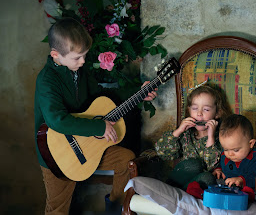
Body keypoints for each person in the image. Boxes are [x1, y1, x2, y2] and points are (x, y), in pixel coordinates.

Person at [34, 17, 157, 214]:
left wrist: (139, 92)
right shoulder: (47, 80)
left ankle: (115, 210)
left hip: (86, 146)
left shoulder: (78, 71)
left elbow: (103, 95)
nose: (83, 61)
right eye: (77, 57)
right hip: (56, 153)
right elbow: (56, 120)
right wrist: (100, 127)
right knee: (57, 208)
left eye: (84, 55)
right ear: (55, 55)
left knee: (125, 160)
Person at [155, 85, 232, 194]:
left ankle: (179, 197)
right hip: (178, 181)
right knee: (193, 164)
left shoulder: (222, 137)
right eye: (195, 108)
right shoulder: (185, 134)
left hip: (197, 188)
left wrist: (210, 137)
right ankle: (170, 192)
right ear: (189, 111)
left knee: (208, 177)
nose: (199, 113)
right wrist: (178, 132)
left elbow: (211, 165)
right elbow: (162, 152)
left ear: (217, 113)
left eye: (206, 109)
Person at [212, 114, 256, 189]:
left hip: (247, 190)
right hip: (228, 187)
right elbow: (221, 162)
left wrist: (241, 180)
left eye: (236, 150)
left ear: (251, 144)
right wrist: (219, 170)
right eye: (226, 149)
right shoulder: (225, 155)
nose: (230, 154)